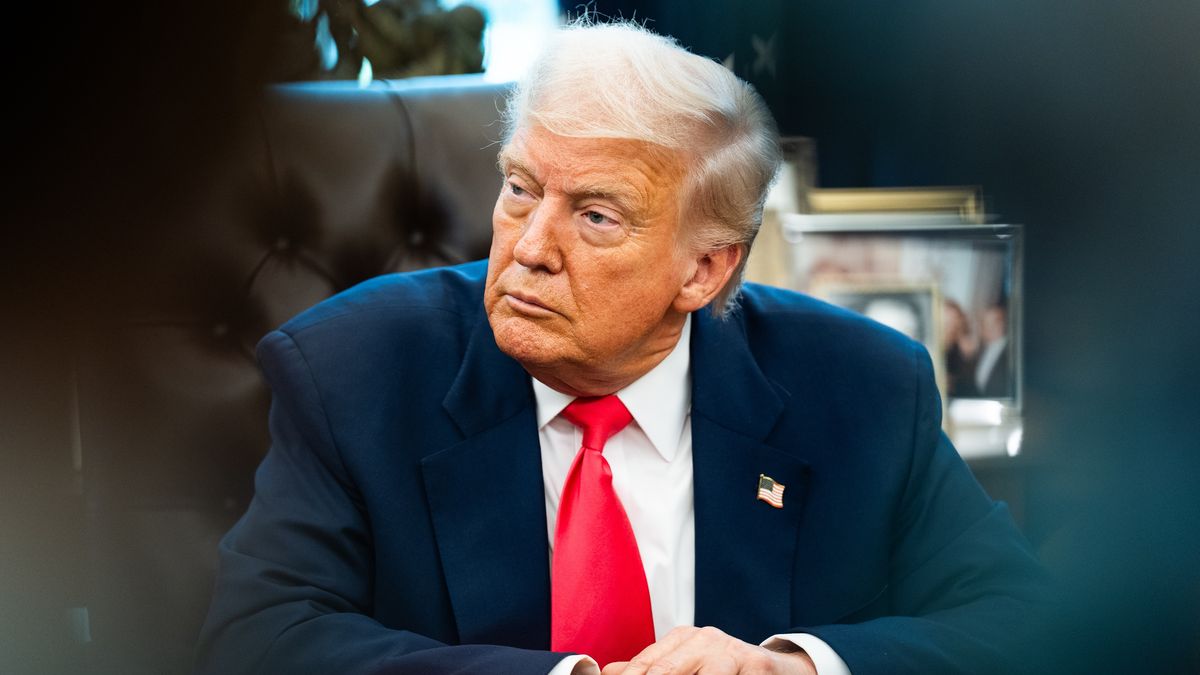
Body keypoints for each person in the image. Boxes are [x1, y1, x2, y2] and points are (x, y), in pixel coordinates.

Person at [196, 21, 1047, 675]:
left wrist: (792, 666)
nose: (530, 246)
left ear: (704, 269)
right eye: (520, 188)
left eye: (596, 215)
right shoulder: (350, 372)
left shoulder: (862, 388)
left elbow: (1027, 623)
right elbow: (258, 637)